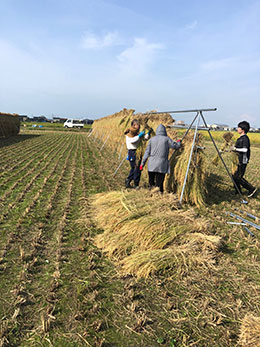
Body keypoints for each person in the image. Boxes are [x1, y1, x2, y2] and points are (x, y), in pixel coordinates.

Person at [140, 124, 181, 193]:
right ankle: (159, 195)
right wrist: (179, 142)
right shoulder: (167, 139)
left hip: (151, 164)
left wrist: (142, 164)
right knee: (159, 184)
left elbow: (147, 152)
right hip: (161, 165)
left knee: (151, 183)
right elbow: (176, 146)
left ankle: (151, 196)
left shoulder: (151, 139)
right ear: (164, 131)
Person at [232, 121, 257, 197]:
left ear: (242, 129)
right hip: (239, 159)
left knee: (238, 177)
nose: (237, 129)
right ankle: (238, 191)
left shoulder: (245, 138)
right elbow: (237, 148)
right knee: (234, 176)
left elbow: (245, 149)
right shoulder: (240, 138)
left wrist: (235, 149)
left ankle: (251, 189)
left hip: (243, 160)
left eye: (238, 127)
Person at [124, 119, 146, 189]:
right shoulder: (129, 132)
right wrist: (139, 136)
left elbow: (143, 139)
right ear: (134, 125)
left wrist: (147, 135)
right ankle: (133, 183)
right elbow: (132, 141)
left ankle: (131, 181)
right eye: (138, 125)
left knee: (136, 168)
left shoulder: (137, 133)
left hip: (137, 152)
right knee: (135, 168)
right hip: (132, 152)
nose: (139, 126)